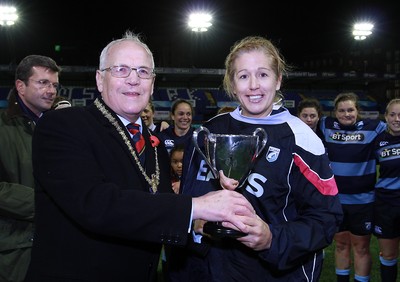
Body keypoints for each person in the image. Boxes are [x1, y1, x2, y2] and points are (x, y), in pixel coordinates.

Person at [25, 31, 256, 282]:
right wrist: (195, 206)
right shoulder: (63, 125)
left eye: (143, 72)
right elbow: (96, 205)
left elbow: (156, 214)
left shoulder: (153, 144)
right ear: (100, 79)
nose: (134, 79)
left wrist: (199, 226)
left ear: (153, 83)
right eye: (122, 70)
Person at [173, 35, 343, 281]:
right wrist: (196, 222)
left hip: (274, 273)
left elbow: (327, 218)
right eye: (243, 76)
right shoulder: (207, 133)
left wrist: (272, 238)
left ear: (278, 80)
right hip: (207, 270)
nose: (253, 85)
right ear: (232, 83)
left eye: (263, 74)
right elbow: (187, 199)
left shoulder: (302, 139)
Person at [0, 55, 61, 282]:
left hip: (56, 249)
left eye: (54, 85)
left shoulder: (60, 129)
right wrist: (43, 202)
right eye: (43, 83)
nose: (51, 90)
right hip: (13, 253)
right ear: (20, 86)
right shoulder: (2, 127)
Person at [319, 92, 386, 282]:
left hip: (363, 201)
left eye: (350, 110)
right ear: (335, 112)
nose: (346, 114)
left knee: (361, 247)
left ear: (358, 111)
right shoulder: (326, 126)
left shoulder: (375, 128)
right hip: (336, 201)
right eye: (341, 110)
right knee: (340, 245)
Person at [373, 98, 400, 282]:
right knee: (388, 255)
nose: (397, 119)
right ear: (386, 117)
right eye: (393, 114)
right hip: (386, 205)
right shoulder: (378, 142)